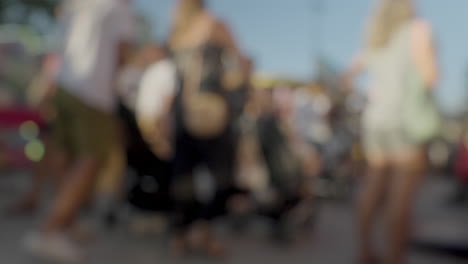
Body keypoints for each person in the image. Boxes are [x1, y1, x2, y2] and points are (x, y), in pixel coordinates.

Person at [23, 0, 136, 262]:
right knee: (91, 160)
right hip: (93, 91)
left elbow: (59, 46)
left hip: (66, 83)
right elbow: (121, 54)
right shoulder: (120, 8)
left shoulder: (79, 4)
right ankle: (49, 231)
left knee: (64, 155)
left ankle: (67, 222)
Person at [344, 0, 439, 263]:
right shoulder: (417, 29)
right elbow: (431, 75)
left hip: (375, 120)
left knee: (372, 189)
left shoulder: (375, 36)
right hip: (405, 120)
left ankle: (364, 251)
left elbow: (348, 76)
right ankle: (395, 258)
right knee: (401, 197)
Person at [168, 0, 248, 256]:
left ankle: (187, 234)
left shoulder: (181, 30)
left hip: (190, 111)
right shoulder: (204, 25)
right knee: (217, 178)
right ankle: (199, 231)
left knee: (185, 177)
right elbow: (241, 64)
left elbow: (239, 64)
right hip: (206, 110)